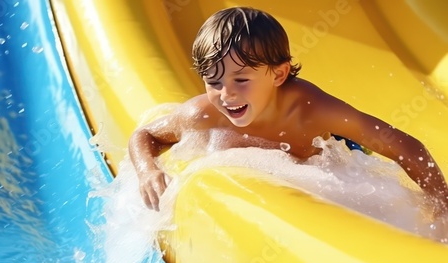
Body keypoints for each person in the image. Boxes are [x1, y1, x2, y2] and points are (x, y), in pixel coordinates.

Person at [128, 6, 448, 213]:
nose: (226, 94)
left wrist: (442, 203)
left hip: (327, 155)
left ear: (279, 75)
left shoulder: (310, 110)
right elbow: (145, 135)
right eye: (213, 81)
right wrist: (148, 171)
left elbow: (402, 145)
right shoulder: (205, 113)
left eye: (241, 80)